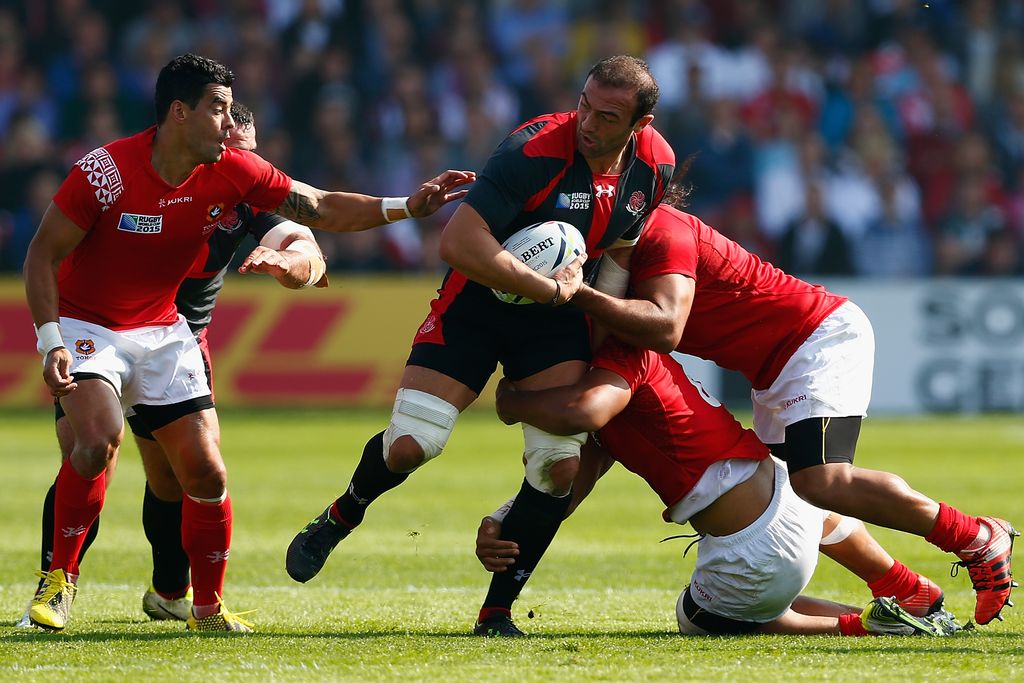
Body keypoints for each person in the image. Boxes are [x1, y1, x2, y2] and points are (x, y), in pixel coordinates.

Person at [22, 53, 474, 633]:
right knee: (94, 443)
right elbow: (42, 254)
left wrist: (408, 206)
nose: (230, 124)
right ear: (179, 113)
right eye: (219, 109)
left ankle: (203, 608)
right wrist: (50, 339)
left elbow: (319, 208)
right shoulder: (105, 171)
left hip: (166, 330)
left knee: (204, 475)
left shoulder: (235, 172)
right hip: (88, 326)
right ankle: (58, 582)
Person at [284, 55, 676, 636]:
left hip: (554, 318)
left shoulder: (654, 166)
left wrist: (597, 334)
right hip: (477, 303)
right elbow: (458, 242)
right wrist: (546, 288)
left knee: (559, 465)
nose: (588, 121)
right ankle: (343, 512)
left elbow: (619, 250)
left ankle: (497, 612)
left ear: (639, 124)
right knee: (412, 445)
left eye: (608, 116)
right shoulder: (533, 150)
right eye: (585, 103)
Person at [564, 190, 1019, 627]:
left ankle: (976, 537)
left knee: (822, 480)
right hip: (779, 365)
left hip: (814, 338)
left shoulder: (663, 230)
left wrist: (573, 297)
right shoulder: (627, 249)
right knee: (790, 499)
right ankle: (903, 587)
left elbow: (663, 327)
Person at [15, 101, 326, 629]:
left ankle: (169, 591)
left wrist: (290, 262)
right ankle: (55, 583)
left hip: (177, 343)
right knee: (90, 452)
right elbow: (55, 248)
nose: (237, 167)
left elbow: (309, 250)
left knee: (180, 477)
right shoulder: (144, 177)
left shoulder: (246, 193)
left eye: (247, 156)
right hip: (100, 331)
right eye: (229, 151)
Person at [482, 337, 961, 637]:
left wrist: (513, 402)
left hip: (759, 550)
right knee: (801, 489)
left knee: (698, 617)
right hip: (787, 502)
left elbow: (580, 415)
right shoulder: (626, 375)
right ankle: (903, 586)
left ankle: (861, 626)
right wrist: (509, 517)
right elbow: (571, 484)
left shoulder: (619, 359)